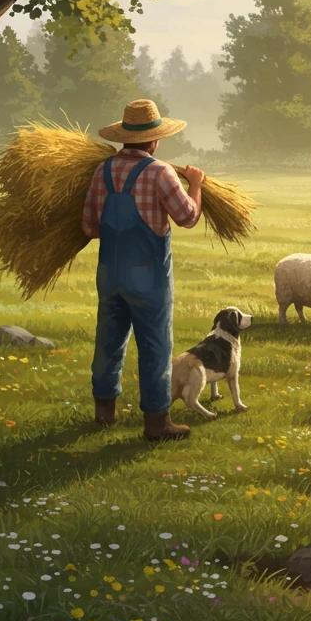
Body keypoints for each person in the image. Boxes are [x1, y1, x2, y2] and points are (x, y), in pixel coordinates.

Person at [82, 99, 206, 441]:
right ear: (154, 140)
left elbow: (89, 227)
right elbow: (187, 217)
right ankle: (157, 423)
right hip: (148, 278)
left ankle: (104, 412)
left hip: (110, 273)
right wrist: (196, 183)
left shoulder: (102, 170)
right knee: (155, 347)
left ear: (125, 137)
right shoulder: (160, 172)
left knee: (108, 341)